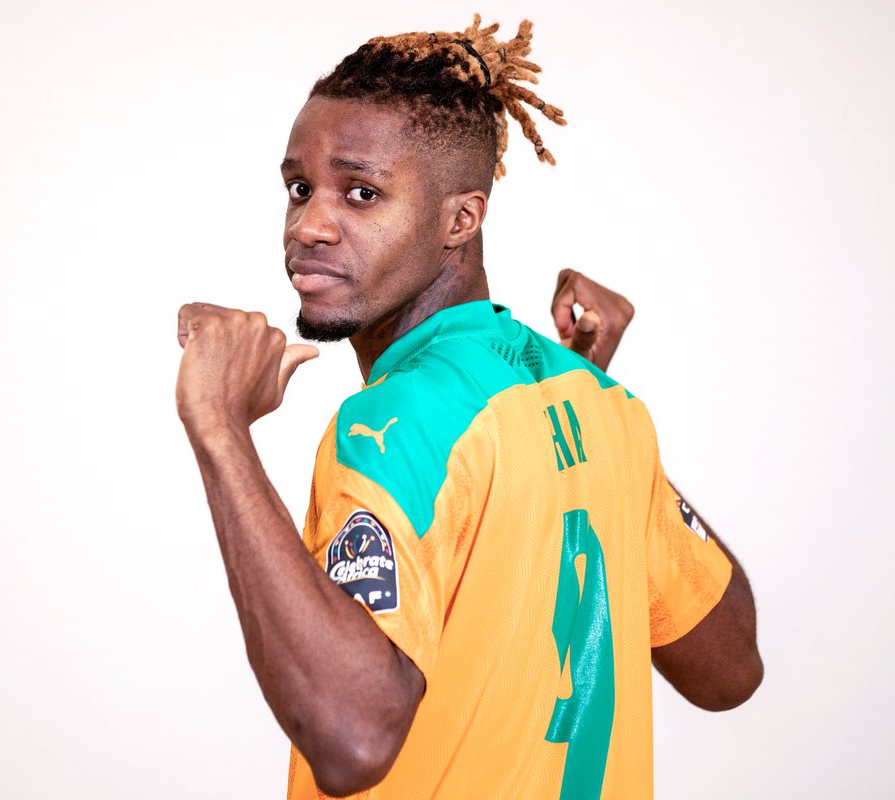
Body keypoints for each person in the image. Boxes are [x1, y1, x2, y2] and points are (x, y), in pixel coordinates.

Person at [174, 14, 762, 799]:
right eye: (299, 188)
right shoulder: (595, 403)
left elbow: (351, 741)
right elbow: (732, 669)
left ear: (461, 219)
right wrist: (595, 417)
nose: (309, 225)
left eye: (361, 193)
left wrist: (220, 430)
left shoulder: (394, 423)